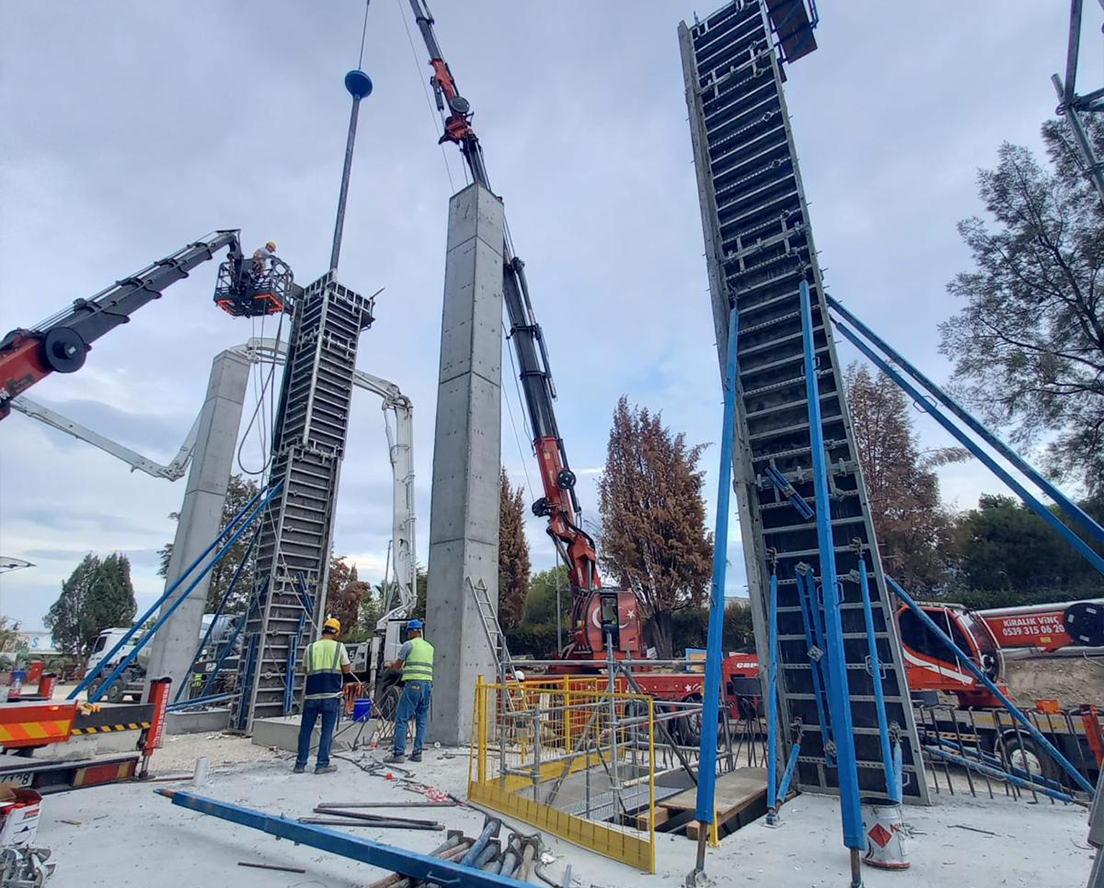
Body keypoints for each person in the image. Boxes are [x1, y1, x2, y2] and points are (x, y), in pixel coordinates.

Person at [294, 617, 351, 774]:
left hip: (312, 696)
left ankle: (300, 764)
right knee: (327, 731)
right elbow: (346, 670)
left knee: (305, 731)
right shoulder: (339, 647)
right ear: (337, 632)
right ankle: (321, 764)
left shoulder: (310, 648)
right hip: (331, 695)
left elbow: (305, 670)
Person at [384, 619, 433, 764]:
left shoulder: (408, 645)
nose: (407, 635)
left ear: (413, 631)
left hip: (413, 685)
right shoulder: (430, 647)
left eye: (408, 633)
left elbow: (398, 666)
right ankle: (417, 753)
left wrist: (391, 666)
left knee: (402, 718)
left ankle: (398, 753)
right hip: (427, 685)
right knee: (421, 720)